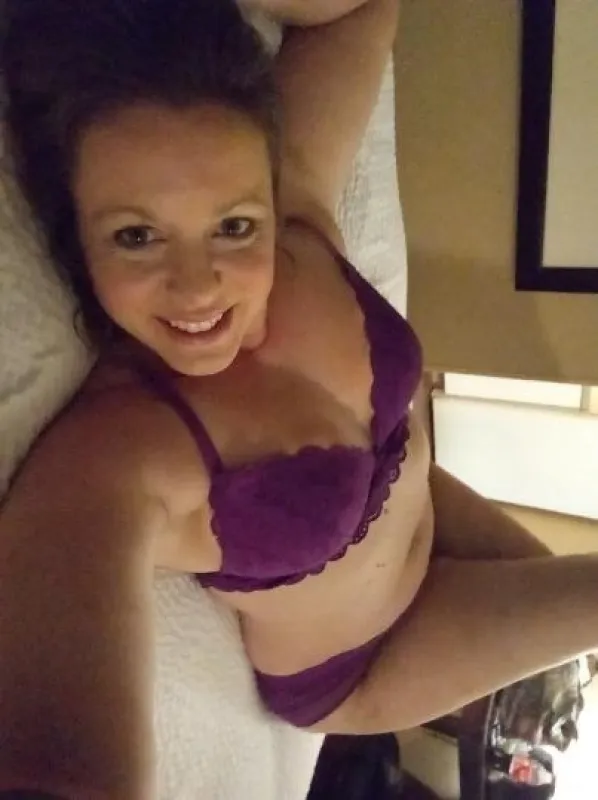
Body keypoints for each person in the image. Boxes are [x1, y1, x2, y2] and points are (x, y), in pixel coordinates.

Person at [0, 0, 597, 797]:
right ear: (76, 236)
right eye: (136, 236)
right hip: (368, 660)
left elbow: (360, 12)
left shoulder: (299, 222)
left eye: (233, 226)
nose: (199, 286)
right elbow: (56, 759)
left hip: (426, 503)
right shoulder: (116, 456)